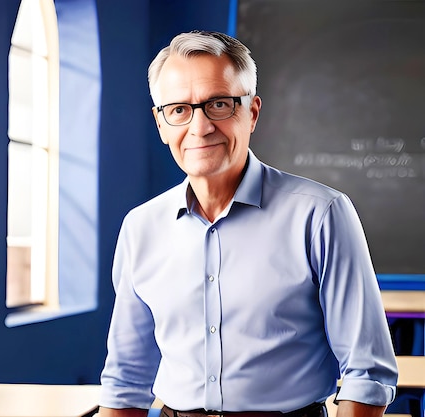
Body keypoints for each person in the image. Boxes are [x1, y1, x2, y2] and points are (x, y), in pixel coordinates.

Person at [98, 30, 398, 417]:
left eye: (219, 104)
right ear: (161, 124)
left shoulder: (320, 215)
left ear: (252, 113)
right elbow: (125, 381)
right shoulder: (140, 228)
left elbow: (366, 374)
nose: (200, 127)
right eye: (178, 110)